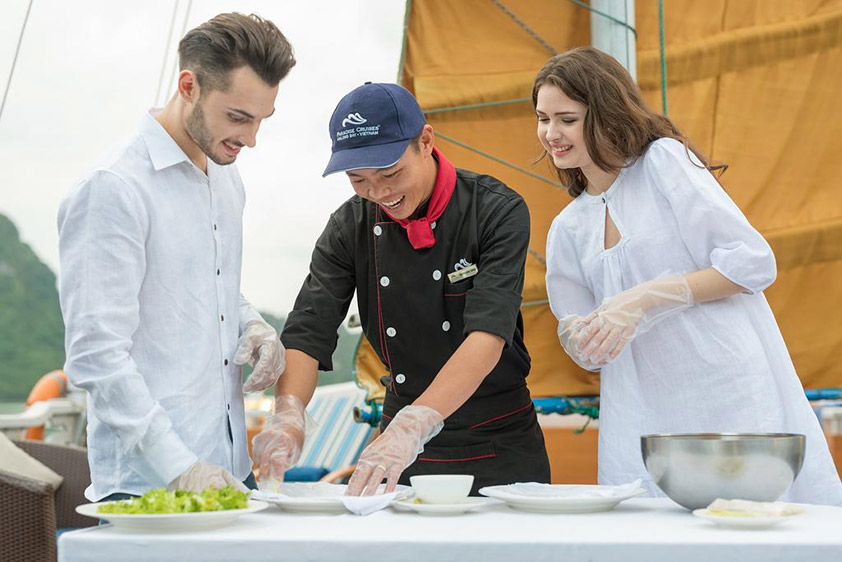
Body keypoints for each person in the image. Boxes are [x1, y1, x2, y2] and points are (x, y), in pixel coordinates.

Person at [535, 47, 842, 504]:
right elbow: (586, 349)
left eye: (567, 119)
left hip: (727, 392)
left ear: (605, 113)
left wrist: (648, 296)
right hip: (640, 412)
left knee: (748, 531)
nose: (551, 133)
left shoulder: (662, 161)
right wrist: (581, 337)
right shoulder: (567, 228)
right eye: (542, 118)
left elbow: (753, 262)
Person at [252, 82, 550, 496]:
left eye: (391, 173)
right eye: (359, 179)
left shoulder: (495, 210)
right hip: (398, 454)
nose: (379, 193)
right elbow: (308, 328)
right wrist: (287, 416)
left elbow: (488, 333)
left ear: (425, 141)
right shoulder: (348, 227)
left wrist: (416, 424)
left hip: (498, 442)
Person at [58, 13, 296, 502]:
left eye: (260, 120)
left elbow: (207, 287)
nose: (251, 139)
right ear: (189, 85)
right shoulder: (114, 188)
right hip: (150, 488)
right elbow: (95, 353)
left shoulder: (228, 179)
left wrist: (250, 324)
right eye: (237, 117)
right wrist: (180, 467)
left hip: (231, 473)